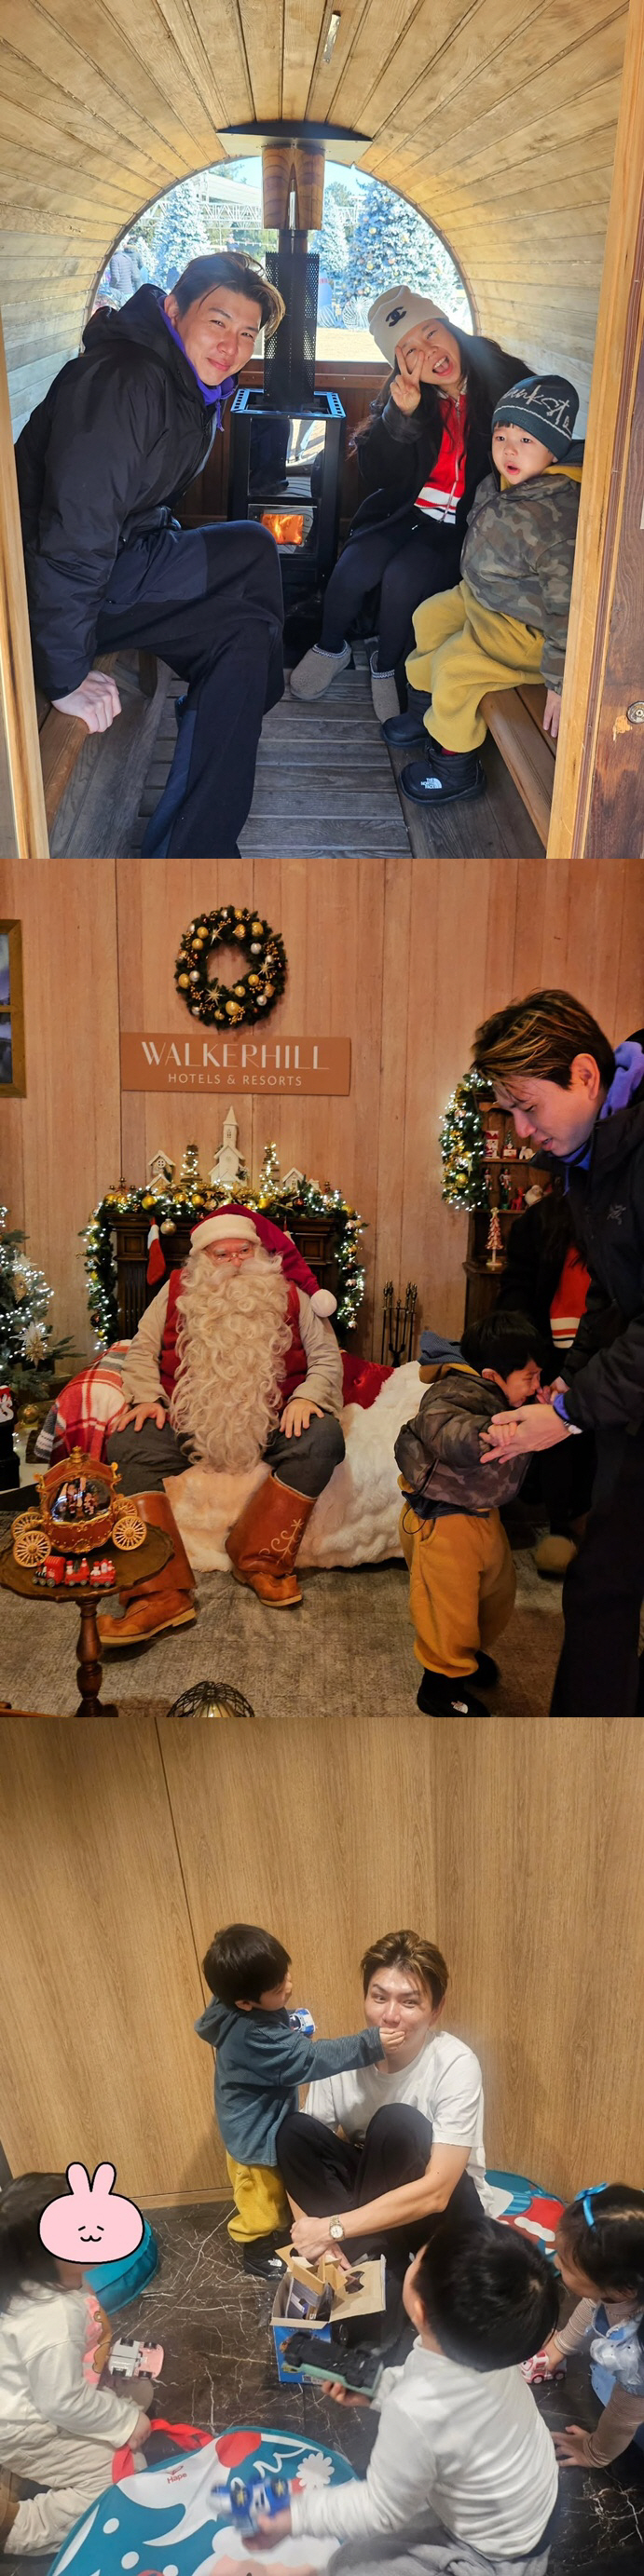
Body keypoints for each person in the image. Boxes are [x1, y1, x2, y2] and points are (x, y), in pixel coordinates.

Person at [15, 251, 285, 856]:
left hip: (119, 560)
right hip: (43, 590)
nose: (232, 344)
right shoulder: (125, 380)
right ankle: (248, 702)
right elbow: (72, 533)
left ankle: (193, 847)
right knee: (247, 587)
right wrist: (62, 676)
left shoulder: (183, 381)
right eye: (217, 322)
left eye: (246, 333)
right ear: (172, 309)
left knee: (245, 601)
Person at [472, 992, 644, 1715]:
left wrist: (569, 1411)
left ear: (584, 1075)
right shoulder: (586, 1159)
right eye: (508, 1112)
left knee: (604, 1576)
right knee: (603, 1577)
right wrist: (559, 1389)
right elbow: (617, 1298)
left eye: (528, 1106)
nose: (521, 1129)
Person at [253, 2222, 559, 2576]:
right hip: (532, 2516)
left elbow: (381, 2509)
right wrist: (379, 2390)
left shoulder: (415, 2410)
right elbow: (447, 2404)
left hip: (493, 2557)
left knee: (346, 2566)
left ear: (420, 2309)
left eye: (420, 2258)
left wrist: (294, 2516)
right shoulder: (493, 2349)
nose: (415, 2258)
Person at [99, 1212, 345, 1649]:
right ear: (202, 1258)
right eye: (221, 1253)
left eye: (243, 1251)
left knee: (324, 1438)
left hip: (273, 1416)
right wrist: (147, 1397)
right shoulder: (175, 1292)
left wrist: (308, 1396)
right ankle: (159, 1591)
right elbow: (140, 1351)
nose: (234, 1261)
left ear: (260, 1252)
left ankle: (260, 1559)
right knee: (125, 1443)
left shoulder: (291, 1295)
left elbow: (327, 1358)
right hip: (186, 1416)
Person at [289, 288, 527, 723]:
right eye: (410, 350)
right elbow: (379, 476)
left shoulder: (503, 380)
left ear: (451, 327)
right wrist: (402, 416)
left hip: (464, 523)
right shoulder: (405, 392)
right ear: (399, 362)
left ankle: (386, 665)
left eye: (432, 333)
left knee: (402, 579)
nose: (429, 352)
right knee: (353, 568)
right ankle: (331, 646)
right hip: (406, 511)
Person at [276, 1930, 492, 2330]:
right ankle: (366, 2264)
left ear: (436, 2009)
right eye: (379, 1997)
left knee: (396, 2123)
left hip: (442, 2210)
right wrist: (317, 2242)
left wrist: (332, 2227)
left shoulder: (455, 2063)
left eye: (410, 2002)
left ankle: (378, 2272)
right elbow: (300, 2163)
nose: (390, 2016)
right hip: (369, 2208)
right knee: (291, 2130)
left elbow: (439, 2190)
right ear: (365, 1999)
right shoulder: (342, 2057)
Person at [399, 375, 582, 807]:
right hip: (486, 598)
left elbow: (569, 607)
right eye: (502, 435)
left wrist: (560, 680)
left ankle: (454, 764)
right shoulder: (503, 483)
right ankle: (427, 714)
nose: (509, 449)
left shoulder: (558, 517)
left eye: (526, 439)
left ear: (554, 451)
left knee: (456, 669)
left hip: (526, 630)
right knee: (428, 616)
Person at [195, 1921, 404, 2277]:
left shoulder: (233, 2002)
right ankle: (257, 2252)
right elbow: (310, 2059)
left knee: (274, 2191)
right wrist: (371, 2043)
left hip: (255, 2122)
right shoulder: (253, 2037)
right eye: (279, 1988)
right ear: (245, 2002)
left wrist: (283, 2016)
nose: (289, 1986)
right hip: (253, 2140)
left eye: (286, 1975)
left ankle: (272, 2235)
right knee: (261, 2200)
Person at [394, 1312, 546, 1715]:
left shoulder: (516, 1398)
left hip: (481, 1511)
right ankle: (440, 1685)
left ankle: (468, 1653)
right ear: (494, 1375)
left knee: (494, 1593)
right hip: (443, 1521)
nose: (536, 1384)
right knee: (449, 1607)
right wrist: (487, 1432)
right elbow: (446, 1430)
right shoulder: (453, 1395)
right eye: (529, 1377)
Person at [0, 2173, 153, 2556]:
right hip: (24, 2425)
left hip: (44, 2393)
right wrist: (123, 2422)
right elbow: (60, 2402)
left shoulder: (43, 2284)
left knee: (140, 2390)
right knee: (126, 2472)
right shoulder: (50, 2318)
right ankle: (19, 2527)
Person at [494, 1186, 595, 1578]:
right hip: (550, 1351)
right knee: (557, 1431)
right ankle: (561, 1527)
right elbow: (517, 1291)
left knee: (594, 1436)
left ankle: (582, 1522)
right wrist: (527, 1361)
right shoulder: (539, 1221)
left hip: (606, 1349)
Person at [535, 2184, 644, 2470]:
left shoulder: (637, 2355)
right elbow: (593, 2302)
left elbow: (624, 2415)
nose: (556, 2262)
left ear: (623, 2291)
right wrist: (560, 2345)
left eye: (567, 2267)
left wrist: (595, 2452)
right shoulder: (620, 2283)